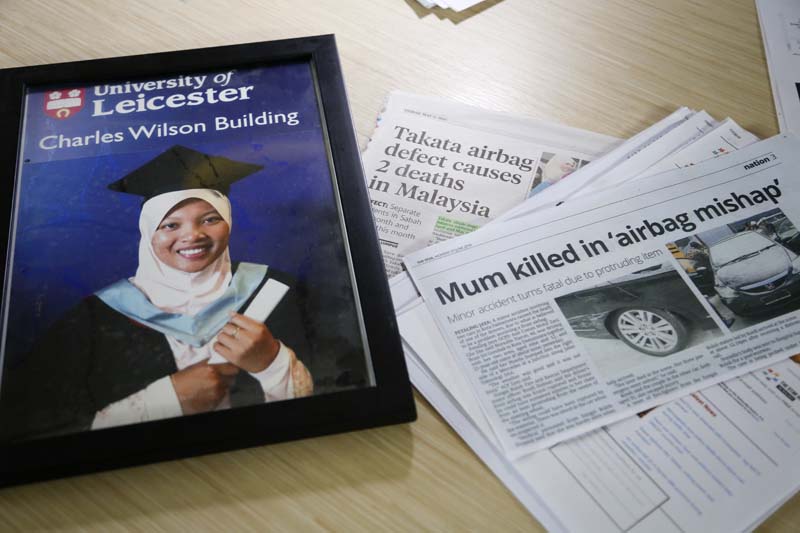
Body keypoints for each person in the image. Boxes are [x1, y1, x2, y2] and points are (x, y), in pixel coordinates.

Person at [0, 146, 312, 441]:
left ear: (228, 223)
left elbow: (334, 395)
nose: (192, 235)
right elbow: (31, 428)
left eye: (210, 219)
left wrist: (273, 363)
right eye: (170, 225)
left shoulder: (278, 289)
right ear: (148, 233)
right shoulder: (93, 319)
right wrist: (165, 400)